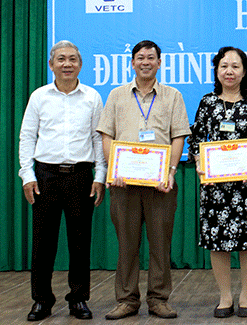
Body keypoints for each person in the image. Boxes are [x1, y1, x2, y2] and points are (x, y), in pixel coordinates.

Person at [96, 40, 191, 320]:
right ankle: (127, 299)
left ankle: (159, 299)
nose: (145, 62)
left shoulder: (173, 96)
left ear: (159, 63)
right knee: (127, 245)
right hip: (124, 184)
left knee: (160, 244)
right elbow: (106, 135)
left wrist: (170, 172)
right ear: (132, 63)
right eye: (140, 57)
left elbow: (178, 136)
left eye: (151, 57)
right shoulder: (116, 95)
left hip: (161, 185)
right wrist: (113, 170)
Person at [188, 46, 247, 319]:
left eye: (235, 66)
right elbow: (196, 138)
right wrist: (198, 161)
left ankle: (246, 295)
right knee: (218, 241)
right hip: (215, 186)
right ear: (217, 71)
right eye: (224, 66)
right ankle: (225, 296)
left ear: (245, 71)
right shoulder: (207, 102)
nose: (229, 71)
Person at [18, 40, 106, 321]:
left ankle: (78, 298)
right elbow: (27, 137)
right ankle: (41, 300)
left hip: (81, 176)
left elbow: (98, 139)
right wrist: (27, 175)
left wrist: (100, 176)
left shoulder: (92, 97)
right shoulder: (39, 97)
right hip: (45, 176)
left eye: (72, 59)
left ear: (80, 64)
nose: (67, 64)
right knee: (43, 243)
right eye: (61, 59)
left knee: (80, 241)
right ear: (51, 64)